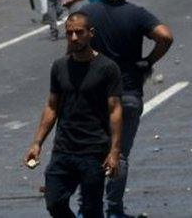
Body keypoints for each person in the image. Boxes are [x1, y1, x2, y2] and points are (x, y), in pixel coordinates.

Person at [79, 0, 173, 218]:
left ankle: (86, 209)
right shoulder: (137, 14)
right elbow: (165, 36)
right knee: (118, 153)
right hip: (129, 95)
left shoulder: (87, 14)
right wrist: (148, 61)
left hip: (94, 98)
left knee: (89, 154)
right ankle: (114, 210)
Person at [25, 12, 123, 218]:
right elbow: (52, 106)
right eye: (69, 33)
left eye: (79, 32)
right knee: (54, 202)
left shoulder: (107, 68)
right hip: (63, 149)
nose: (74, 38)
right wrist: (37, 143)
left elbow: (114, 110)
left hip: (94, 151)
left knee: (91, 209)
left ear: (91, 33)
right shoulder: (60, 66)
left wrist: (114, 151)